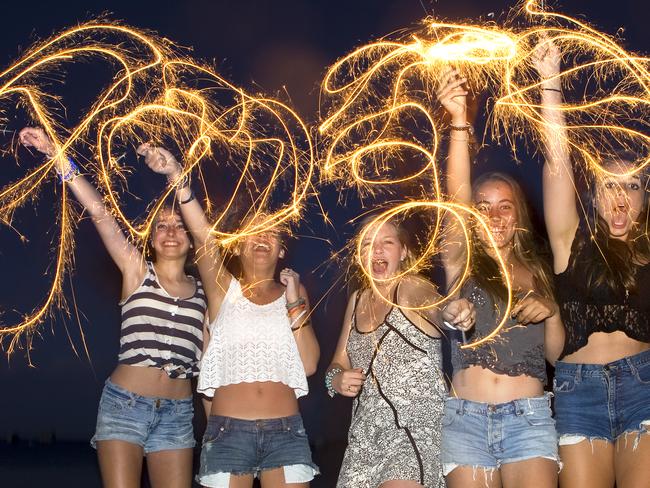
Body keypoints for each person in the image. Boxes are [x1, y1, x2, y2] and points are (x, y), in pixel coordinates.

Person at [19, 128, 206, 488]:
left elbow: (210, 360)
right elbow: (98, 211)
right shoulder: (136, 271)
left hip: (178, 414)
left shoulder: (202, 294)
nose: (170, 232)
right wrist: (55, 153)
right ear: (150, 237)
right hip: (125, 406)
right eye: (161, 226)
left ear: (190, 238)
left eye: (179, 226)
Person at [140, 144, 320, 488]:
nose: (262, 238)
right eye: (253, 232)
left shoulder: (293, 296)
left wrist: (295, 299)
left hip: (286, 432)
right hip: (227, 432)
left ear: (282, 249)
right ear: (237, 244)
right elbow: (203, 233)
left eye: (272, 233)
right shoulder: (224, 289)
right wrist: (177, 177)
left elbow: (309, 364)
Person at [436, 68, 564, 488]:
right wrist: (458, 123)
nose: (493, 215)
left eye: (504, 206)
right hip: (465, 419)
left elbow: (559, 357)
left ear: (519, 215)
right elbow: (455, 194)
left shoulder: (540, 270)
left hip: (528, 419)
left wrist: (551, 311)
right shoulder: (461, 259)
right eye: (483, 206)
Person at [535, 40, 650, 488]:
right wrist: (551, 83)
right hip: (577, 391)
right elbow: (557, 164)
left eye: (633, 185)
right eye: (608, 185)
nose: (620, 196)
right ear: (594, 196)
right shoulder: (570, 242)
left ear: (645, 198)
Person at [326, 216, 475, 488]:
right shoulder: (356, 300)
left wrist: (453, 313)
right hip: (364, 437)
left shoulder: (411, 287)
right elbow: (337, 362)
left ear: (404, 251)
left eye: (387, 242)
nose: (377, 250)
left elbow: (439, 309)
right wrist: (336, 379)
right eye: (368, 244)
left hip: (413, 430)